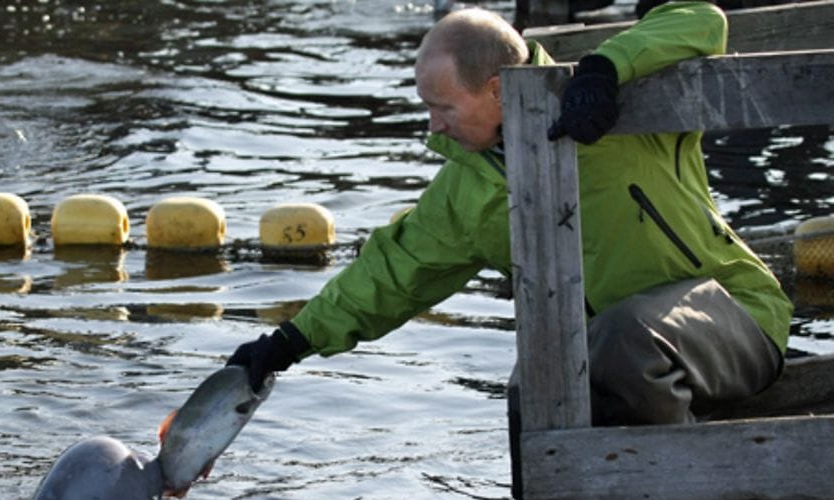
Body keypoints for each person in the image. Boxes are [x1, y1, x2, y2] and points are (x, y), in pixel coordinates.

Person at [227, 1, 793, 426]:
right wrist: (286, 345)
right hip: (619, 360)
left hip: (734, 319)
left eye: (442, 107)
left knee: (623, 337)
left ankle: (683, 487)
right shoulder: (465, 193)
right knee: (531, 385)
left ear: (496, 90)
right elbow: (389, 275)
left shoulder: (615, 104)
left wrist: (603, 70)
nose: (434, 126)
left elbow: (701, 19)